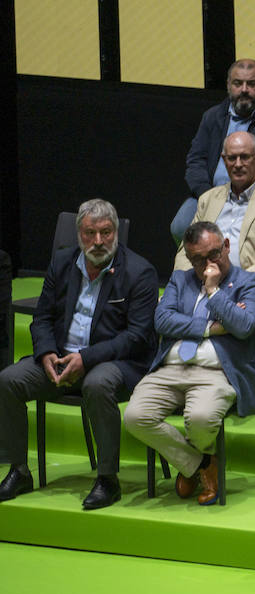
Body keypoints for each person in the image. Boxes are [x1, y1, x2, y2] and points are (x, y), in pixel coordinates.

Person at [0, 199, 158, 509]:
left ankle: (108, 479)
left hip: (115, 364)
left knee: (96, 384)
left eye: (106, 233)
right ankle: (19, 470)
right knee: (8, 380)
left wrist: (85, 358)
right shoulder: (62, 263)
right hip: (60, 360)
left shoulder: (140, 272)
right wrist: (45, 353)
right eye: (90, 233)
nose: (98, 242)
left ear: (115, 233)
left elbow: (137, 337)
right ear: (79, 234)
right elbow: (42, 317)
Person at [124, 222, 255, 505]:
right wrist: (212, 327)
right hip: (171, 368)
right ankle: (201, 464)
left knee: (201, 418)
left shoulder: (249, 283)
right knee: (135, 417)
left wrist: (214, 291)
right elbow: (162, 320)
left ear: (226, 246)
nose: (208, 264)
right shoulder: (179, 280)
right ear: (189, 258)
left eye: (214, 254)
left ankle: (191, 465)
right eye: (198, 259)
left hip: (219, 371)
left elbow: (244, 326)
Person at [174, 131, 255, 335]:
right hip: (203, 285)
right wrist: (184, 282)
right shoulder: (208, 198)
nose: (238, 164)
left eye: (245, 157)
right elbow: (184, 251)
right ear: (224, 160)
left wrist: (232, 286)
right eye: (232, 158)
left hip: (249, 291)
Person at [172, 58, 255, 240]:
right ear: (228, 85)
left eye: (252, 84)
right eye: (238, 83)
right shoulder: (213, 116)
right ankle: (200, 268)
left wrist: (250, 193)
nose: (244, 90)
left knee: (236, 235)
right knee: (181, 226)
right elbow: (196, 159)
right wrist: (208, 196)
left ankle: (231, 269)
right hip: (211, 192)